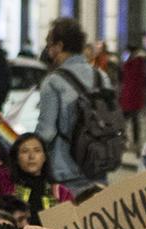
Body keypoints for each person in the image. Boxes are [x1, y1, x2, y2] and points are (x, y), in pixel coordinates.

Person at [35, 17, 113, 191]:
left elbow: (46, 133)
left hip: (66, 174)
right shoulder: (101, 77)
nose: (48, 51)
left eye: (49, 45)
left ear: (59, 46)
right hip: (99, 168)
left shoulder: (54, 81)